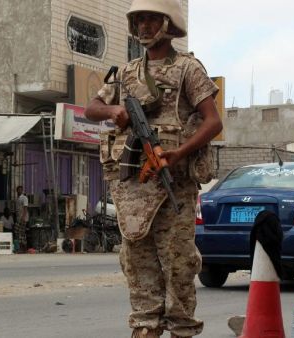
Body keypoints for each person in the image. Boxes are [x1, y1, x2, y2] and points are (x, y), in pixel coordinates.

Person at [84, 1, 222, 337]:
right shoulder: (127, 72)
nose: (144, 26)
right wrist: (114, 110)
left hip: (173, 181)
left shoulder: (188, 69)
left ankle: (180, 328)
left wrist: (179, 153)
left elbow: (213, 121)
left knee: (177, 262)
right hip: (134, 185)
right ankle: (145, 327)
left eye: (150, 18)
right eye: (139, 19)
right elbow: (91, 109)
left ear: (167, 23)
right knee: (137, 260)